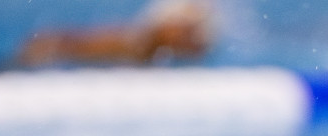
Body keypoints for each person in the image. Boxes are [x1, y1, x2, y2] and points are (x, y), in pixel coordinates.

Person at [16, 1, 213, 68]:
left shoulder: (143, 45)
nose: (191, 40)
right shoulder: (135, 44)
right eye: (186, 31)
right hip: (48, 49)